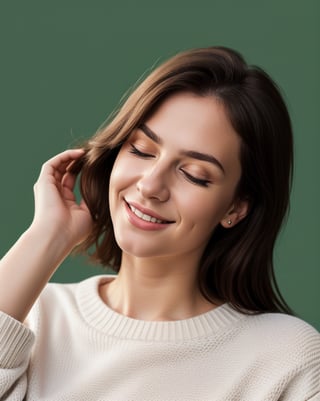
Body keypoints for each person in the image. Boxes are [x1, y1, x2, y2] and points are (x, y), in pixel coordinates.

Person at [0, 46, 319, 401]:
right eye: (141, 150)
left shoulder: (288, 360)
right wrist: (48, 237)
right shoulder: (28, 317)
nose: (151, 185)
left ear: (236, 207)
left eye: (194, 174)